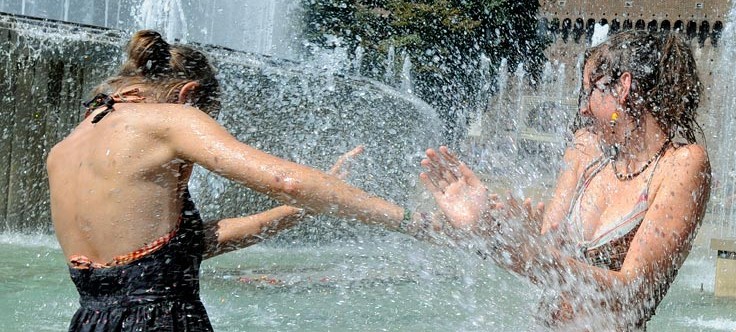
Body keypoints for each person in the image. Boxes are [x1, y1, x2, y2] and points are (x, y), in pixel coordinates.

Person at [47, 30, 411, 331]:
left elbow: (176, 253)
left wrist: (308, 206)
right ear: (187, 94)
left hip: (90, 322)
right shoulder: (172, 118)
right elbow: (288, 181)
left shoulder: (64, 150)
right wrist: (419, 223)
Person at [420, 30, 711, 330]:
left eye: (591, 91)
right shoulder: (588, 154)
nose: (583, 108)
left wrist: (525, 248)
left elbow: (632, 291)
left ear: (623, 87)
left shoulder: (681, 165)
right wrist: (491, 226)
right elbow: (546, 261)